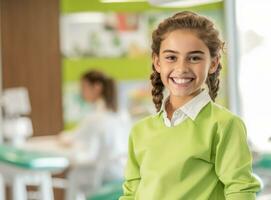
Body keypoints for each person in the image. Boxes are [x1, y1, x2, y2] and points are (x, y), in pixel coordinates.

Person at [119, 11, 260, 200]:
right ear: (157, 62)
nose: (182, 68)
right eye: (171, 57)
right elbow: (130, 194)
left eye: (194, 58)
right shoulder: (140, 131)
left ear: (213, 63)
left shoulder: (224, 125)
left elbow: (240, 192)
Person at [59, 70, 130, 200]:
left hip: (106, 174)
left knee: (74, 175)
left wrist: (64, 140)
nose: (81, 92)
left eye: (83, 87)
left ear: (96, 87)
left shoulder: (95, 118)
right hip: (124, 172)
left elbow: (73, 140)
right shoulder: (121, 114)